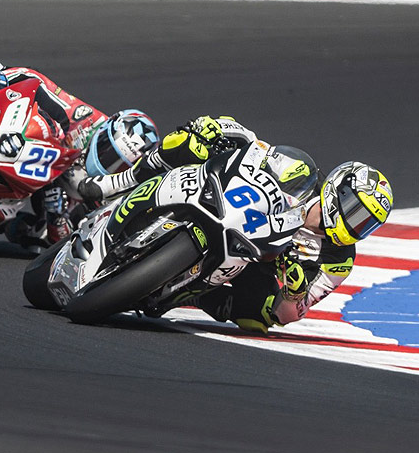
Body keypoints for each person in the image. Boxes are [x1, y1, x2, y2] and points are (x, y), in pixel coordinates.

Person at [78, 115, 393, 333]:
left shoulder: (339, 261)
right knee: (188, 143)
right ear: (340, 189)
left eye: (366, 223)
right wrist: (217, 128)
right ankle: (117, 183)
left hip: (255, 260)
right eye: (356, 212)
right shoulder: (301, 172)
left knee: (260, 316)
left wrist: (295, 293)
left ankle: (191, 294)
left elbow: (288, 315)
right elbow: (256, 148)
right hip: (232, 204)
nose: (356, 225)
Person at [0, 63, 159, 248]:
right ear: (105, 130)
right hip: (29, 156)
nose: (107, 163)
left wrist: (57, 217)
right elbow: (37, 81)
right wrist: (0, 77)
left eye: (118, 164)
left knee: (35, 236)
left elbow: (69, 243)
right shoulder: (87, 119)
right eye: (108, 150)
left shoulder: (110, 193)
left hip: (45, 196)